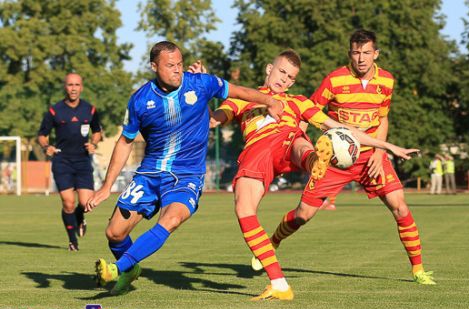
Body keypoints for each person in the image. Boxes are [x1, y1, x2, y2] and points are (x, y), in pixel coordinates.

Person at [210, 49, 419, 300]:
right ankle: (279, 285)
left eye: (290, 77)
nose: (284, 79)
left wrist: (386, 146)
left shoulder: (297, 101)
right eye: (281, 72)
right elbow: (214, 120)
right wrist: (196, 90)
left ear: (293, 82)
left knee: (299, 140)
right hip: (258, 152)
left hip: (287, 140)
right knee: (244, 210)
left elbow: (341, 128)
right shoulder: (245, 97)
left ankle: (315, 161)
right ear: (269, 69)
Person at [85, 41, 288, 296]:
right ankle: (131, 270)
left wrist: (269, 101)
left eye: (180, 64)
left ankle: (117, 269)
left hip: (187, 175)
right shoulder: (140, 99)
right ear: (154, 66)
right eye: (170, 65)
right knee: (114, 233)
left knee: (171, 218)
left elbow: (238, 91)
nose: (177, 70)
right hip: (150, 173)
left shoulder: (201, 83)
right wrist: (106, 186)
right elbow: (125, 141)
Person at [252, 30, 436, 285]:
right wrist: (295, 148)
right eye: (356, 52)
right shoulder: (334, 80)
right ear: (350, 53)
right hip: (335, 160)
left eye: (366, 53)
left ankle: (418, 270)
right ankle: (274, 241)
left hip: (372, 157)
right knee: (303, 215)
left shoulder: (387, 81)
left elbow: (382, 118)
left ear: (376, 54)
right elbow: (308, 114)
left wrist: (380, 151)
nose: (361, 58)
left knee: (400, 206)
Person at [37, 73, 102, 251]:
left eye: (77, 85)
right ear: (65, 87)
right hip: (62, 160)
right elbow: (42, 135)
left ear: (81, 87)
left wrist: (94, 143)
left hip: (82, 160)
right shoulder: (54, 110)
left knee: (85, 202)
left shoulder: (90, 110)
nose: (73, 88)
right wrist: (46, 147)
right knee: (68, 202)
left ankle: (80, 218)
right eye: (70, 85)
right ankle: (72, 240)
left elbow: (97, 131)